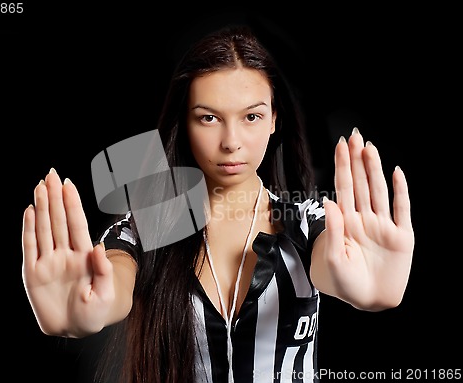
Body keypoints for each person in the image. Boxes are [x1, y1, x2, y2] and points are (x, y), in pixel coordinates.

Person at [21, 25, 415, 383]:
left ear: (275, 119)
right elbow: (115, 280)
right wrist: (91, 308)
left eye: (251, 117)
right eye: (209, 118)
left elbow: (334, 263)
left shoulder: (308, 220)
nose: (231, 141)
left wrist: (364, 286)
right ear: (184, 123)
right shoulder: (143, 228)